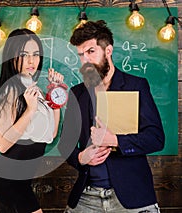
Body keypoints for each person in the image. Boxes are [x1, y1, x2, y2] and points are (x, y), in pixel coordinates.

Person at [58, 20, 165, 213]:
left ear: (108, 51)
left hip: (132, 196)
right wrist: (81, 157)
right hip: (86, 197)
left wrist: (115, 140)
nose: (85, 61)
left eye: (91, 52)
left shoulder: (136, 85)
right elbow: (65, 145)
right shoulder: (77, 93)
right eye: (81, 55)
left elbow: (156, 139)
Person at [0, 28, 64, 213]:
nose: (32, 61)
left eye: (36, 54)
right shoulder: (11, 91)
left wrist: (55, 95)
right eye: (24, 54)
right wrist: (30, 111)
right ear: (11, 57)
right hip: (9, 181)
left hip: (22, 181)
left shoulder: (34, 88)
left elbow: (51, 133)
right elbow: (2, 145)